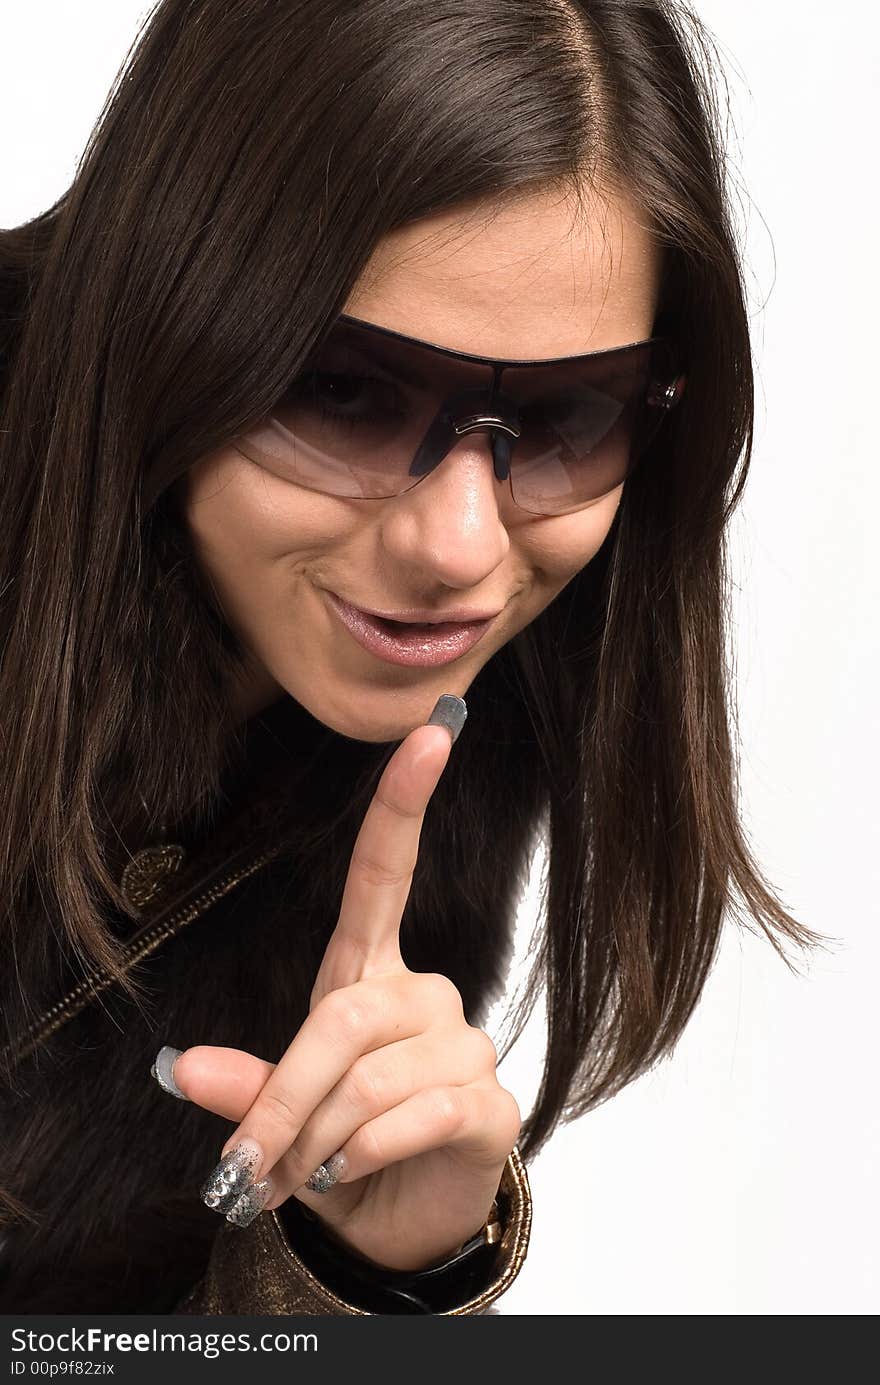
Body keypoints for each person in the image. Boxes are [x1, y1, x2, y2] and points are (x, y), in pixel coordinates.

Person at [0, 0, 821, 1315]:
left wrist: (365, 1271)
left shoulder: (470, 741)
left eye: (563, 417)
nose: (460, 544)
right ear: (173, 317)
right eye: (345, 391)